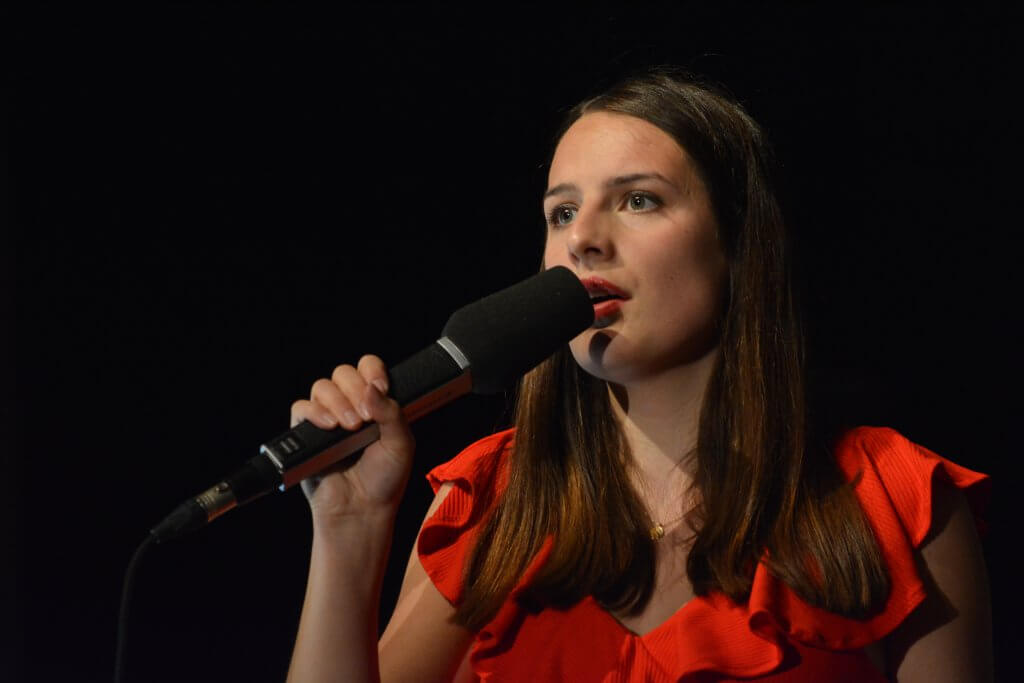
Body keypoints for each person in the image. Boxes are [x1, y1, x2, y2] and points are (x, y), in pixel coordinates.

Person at [285, 68, 992, 682]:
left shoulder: (892, 498)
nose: (582, 238)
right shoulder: (491, 502)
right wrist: (349, 530)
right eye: (562, 211)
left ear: (738, 245)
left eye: (638, 199)